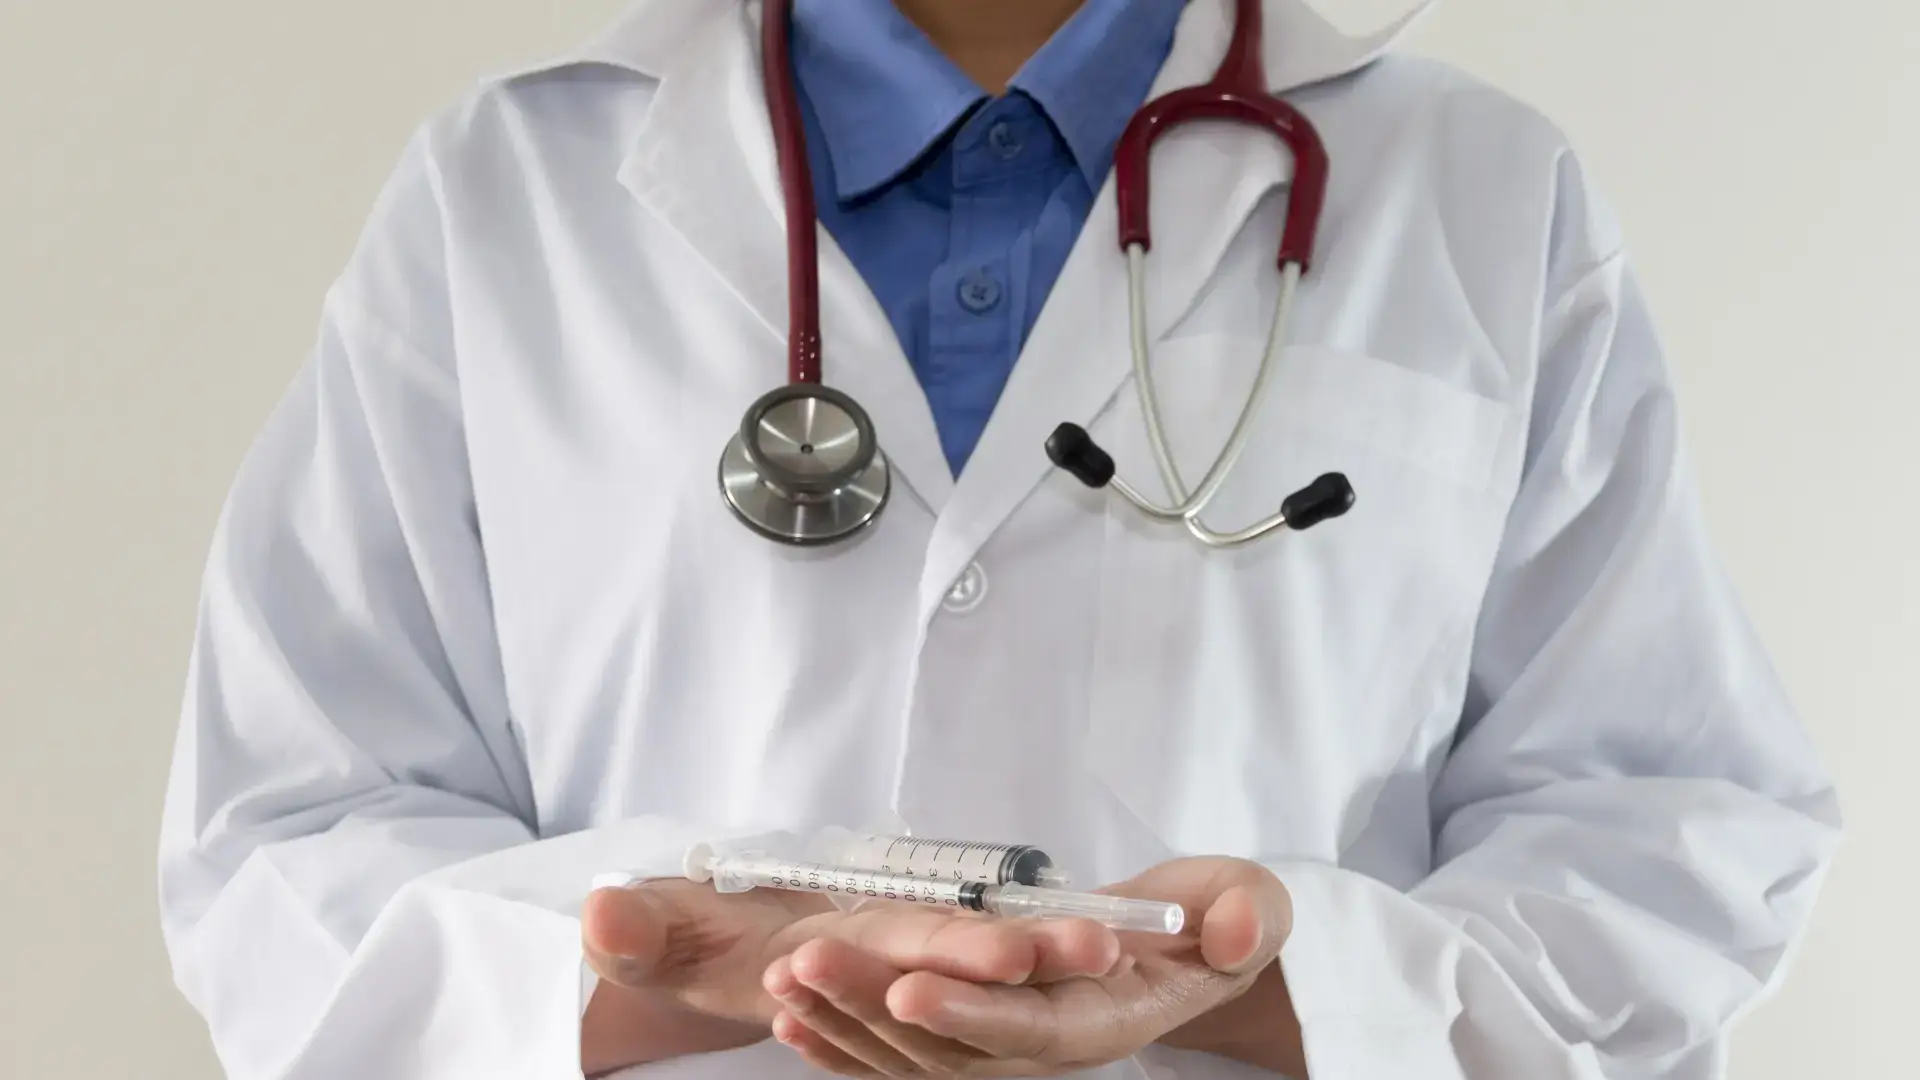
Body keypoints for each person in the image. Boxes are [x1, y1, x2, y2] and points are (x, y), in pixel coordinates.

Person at [155, 0, 1842, 1077]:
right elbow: (285, 830)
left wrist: (1267, 978)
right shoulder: (507, 189)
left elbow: (1667, 827)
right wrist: (657, 964)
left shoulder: (1476, 188)